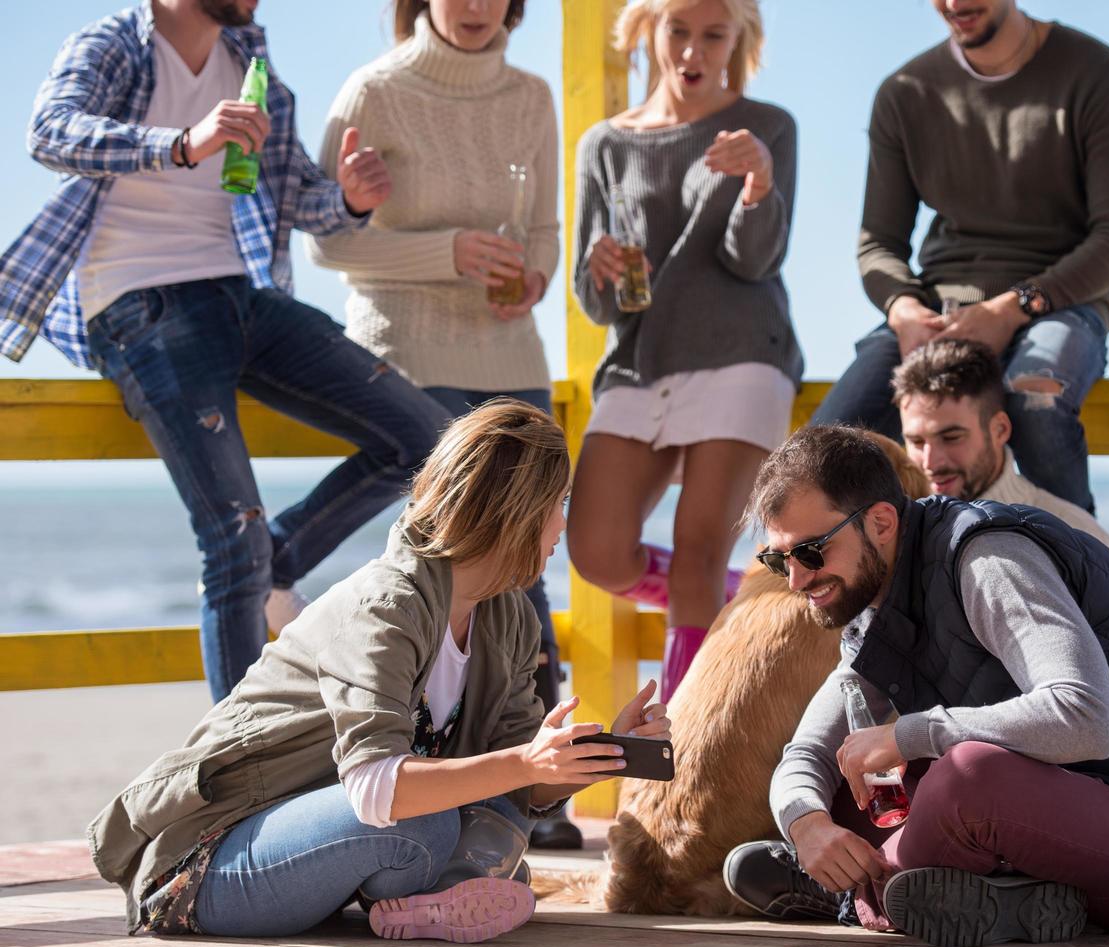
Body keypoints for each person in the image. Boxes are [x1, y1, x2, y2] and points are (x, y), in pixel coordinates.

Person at [88, 400, 674, 943]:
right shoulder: (384, 606)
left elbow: (514, 777)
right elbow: (373, 791)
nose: (562, 525)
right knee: (423, 827)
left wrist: (593, 757)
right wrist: (524, 762)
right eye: (559, 504)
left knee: (494, 810)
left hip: (326, 841)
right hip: (208, 865)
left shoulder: (507, 614)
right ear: (514, 512)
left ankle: (437, 899)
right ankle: (448, 886)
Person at [0, 0, 451, 701]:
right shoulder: (114, 43)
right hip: (139, 301)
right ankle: (237, 764)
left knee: (428, 439)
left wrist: (351, 201)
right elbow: (50, 132)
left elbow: (299, 197)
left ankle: (275, 566)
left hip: (242, 296)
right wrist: (181, 143)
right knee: (229, 541)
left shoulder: (251, 66)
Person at [722, 425, 1109, 947]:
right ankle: (1002, 903)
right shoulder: (875, 607)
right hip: (1074, 815)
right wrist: (808, 825)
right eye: (778, 560)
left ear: (881, 523)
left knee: (967, 776)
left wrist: (912, 734)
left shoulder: (987, 560)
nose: (797, 579)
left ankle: (849, 893)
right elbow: (809, 751)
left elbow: (1087, 717)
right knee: (854, 784)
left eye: (811, 551)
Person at [309, 0, 580, 851]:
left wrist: (534, 273)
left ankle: (540, 794)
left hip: (511, 360)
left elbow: (543, 229)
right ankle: (419, 784)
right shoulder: (373, 89)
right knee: (427, 572)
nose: (472, 5)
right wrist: (448, 253)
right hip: (406, 353)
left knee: (526, 584)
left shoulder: (532, 96)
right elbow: (327, 241)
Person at [810, 0, 1109, 516]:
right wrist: (902, 309)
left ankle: (1079, 581)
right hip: (935, 311)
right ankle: (888, 591)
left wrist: (1009, 310)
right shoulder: (905, 92)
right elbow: (879, 243)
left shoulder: (1097, 72)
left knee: (1035, 405)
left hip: (1058, 304)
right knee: (826, 451)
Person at [567, 0, 802, 696]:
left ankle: (677, 744)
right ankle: (744, 595)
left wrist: (758, 182)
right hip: (640, 361)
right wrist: (601, 271)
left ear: (738, 40)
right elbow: (594, 297)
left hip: (742, 354)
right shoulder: (602, 145)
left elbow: (755, 261)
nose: (693, 51)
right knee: (597, 553)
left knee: (697, 553)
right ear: (648, 32)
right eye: (677, 31)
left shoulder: (767, 127)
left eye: (712, 35)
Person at [893, 338, 1109, 554]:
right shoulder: (890, 533)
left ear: (1000, 430)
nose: (931, 462)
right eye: (917, 442)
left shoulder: (1077, 536)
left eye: (951, 437)